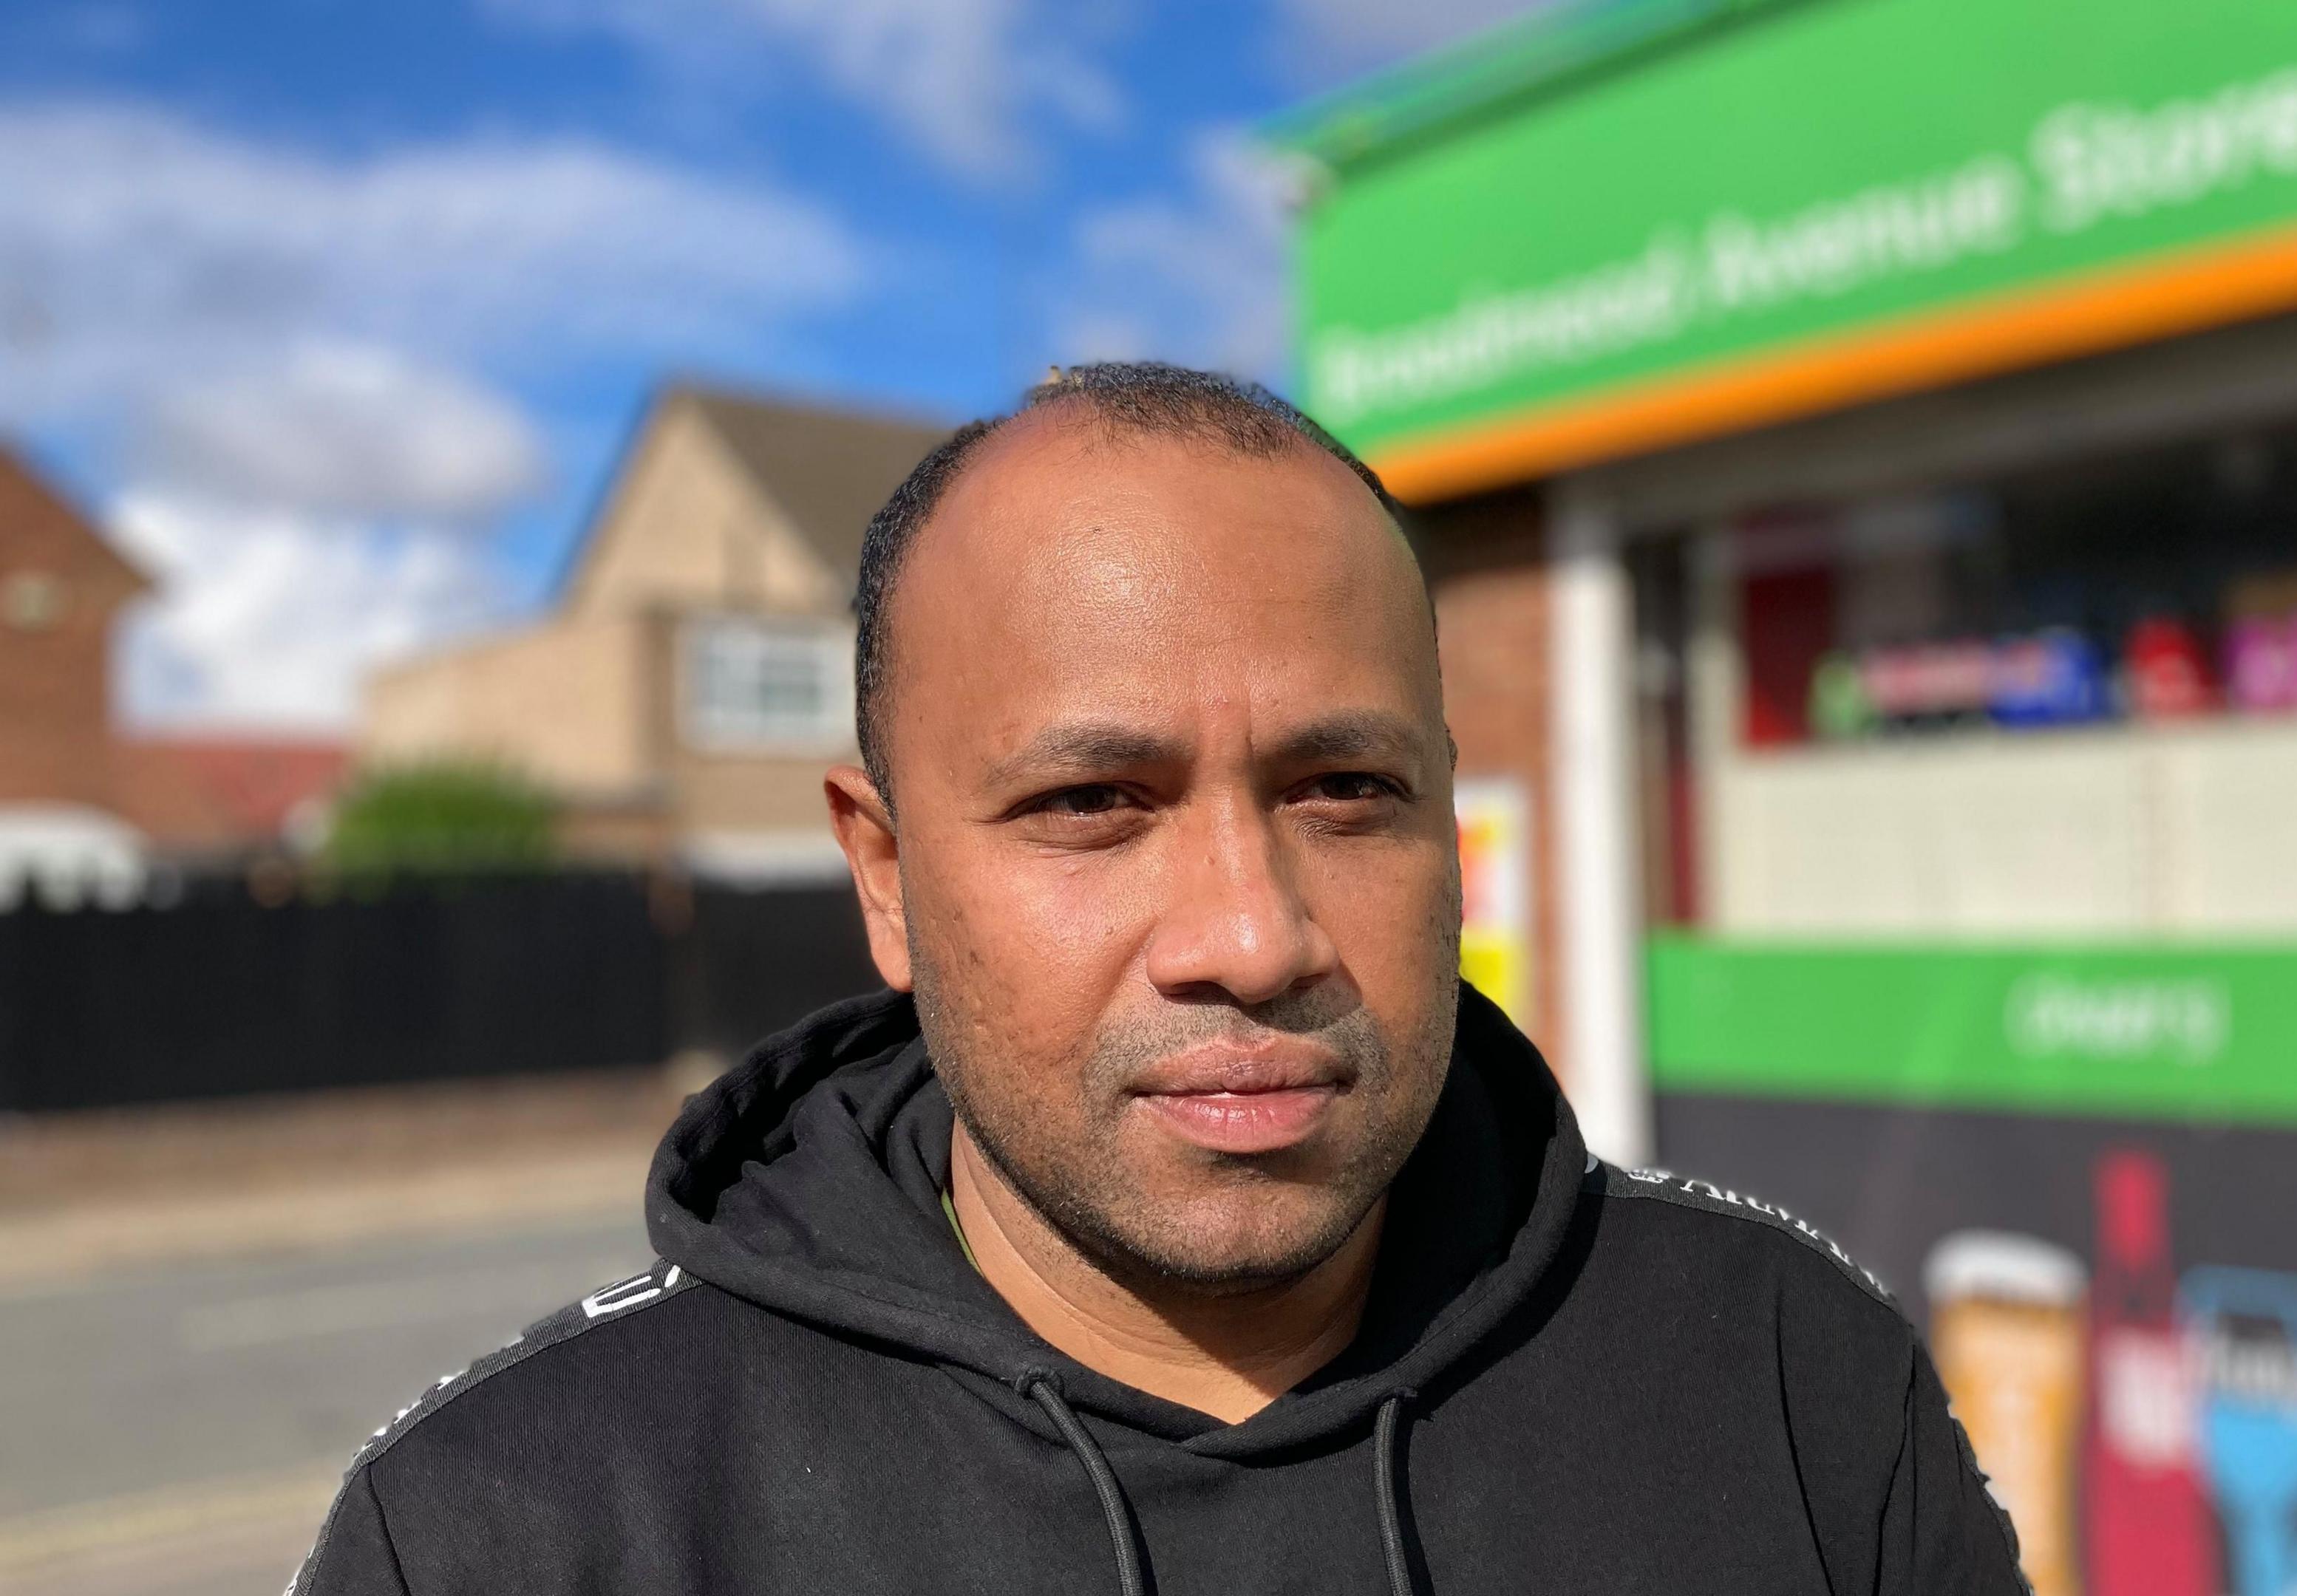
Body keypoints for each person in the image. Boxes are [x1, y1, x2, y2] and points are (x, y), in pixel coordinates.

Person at [290, 363, 2027, 1595]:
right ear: (886, 879)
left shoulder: (1787, 1378)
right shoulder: (511, 1533)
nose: (1251, 938)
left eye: (1346, 791)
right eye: (1090, 807)